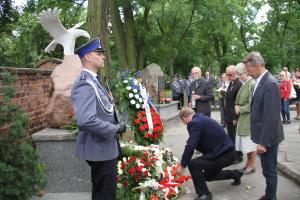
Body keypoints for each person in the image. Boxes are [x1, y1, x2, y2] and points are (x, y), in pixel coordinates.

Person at [71, 37, 127, 200]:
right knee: (105, 194)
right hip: (99, 149)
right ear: (87, 57)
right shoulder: (85, 83)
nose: (103, 56)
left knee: (103, 192)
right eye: (99, 53)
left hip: (105, 147)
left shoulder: (93, 81)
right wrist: (115, 128)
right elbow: (86, 120)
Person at [176, 107, 243, 200]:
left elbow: (190, 146)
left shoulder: (194, 123)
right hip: (225, 153)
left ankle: (204, 194)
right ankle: (235, 174)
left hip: (224, 155)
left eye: (184, 122)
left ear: (184, 118)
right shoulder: (201, 118)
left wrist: (182, 165)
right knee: (209, 176)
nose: (186, 124)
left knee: (193, 164)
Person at [243, 52, 284, 200]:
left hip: (268, 138)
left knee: (270, 170)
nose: (248, 72)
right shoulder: (261, 81)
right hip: (264, 136)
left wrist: (263, 142)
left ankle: (271, 197)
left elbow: (272, 117)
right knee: (267, 169)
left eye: (249, 69)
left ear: (258, 66)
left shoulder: (270, 83)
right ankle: (269, 194)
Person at [234, 63, 257, 175]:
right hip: (243, 118)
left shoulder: (251, 83)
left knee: (250, 143)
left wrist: (240, 109)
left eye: (240, 74)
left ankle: (252, 165)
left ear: (246, 72)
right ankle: (248, 163)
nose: (239, 77)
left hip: (248, 118)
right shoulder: (245, 83)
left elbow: (253, 104)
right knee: (246, 144)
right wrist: (237, 106)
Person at [224, 65, 243, 164]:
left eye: (229, 74)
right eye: (227, 75)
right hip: (228, 115)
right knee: (230, 136)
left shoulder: (238, 84)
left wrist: (236, 117)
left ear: (235, 73)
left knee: (235, 136)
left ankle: (238, 156)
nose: (228, 76)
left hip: (234, 115)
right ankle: (233, 155)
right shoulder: (231, 83)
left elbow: (238, 102)